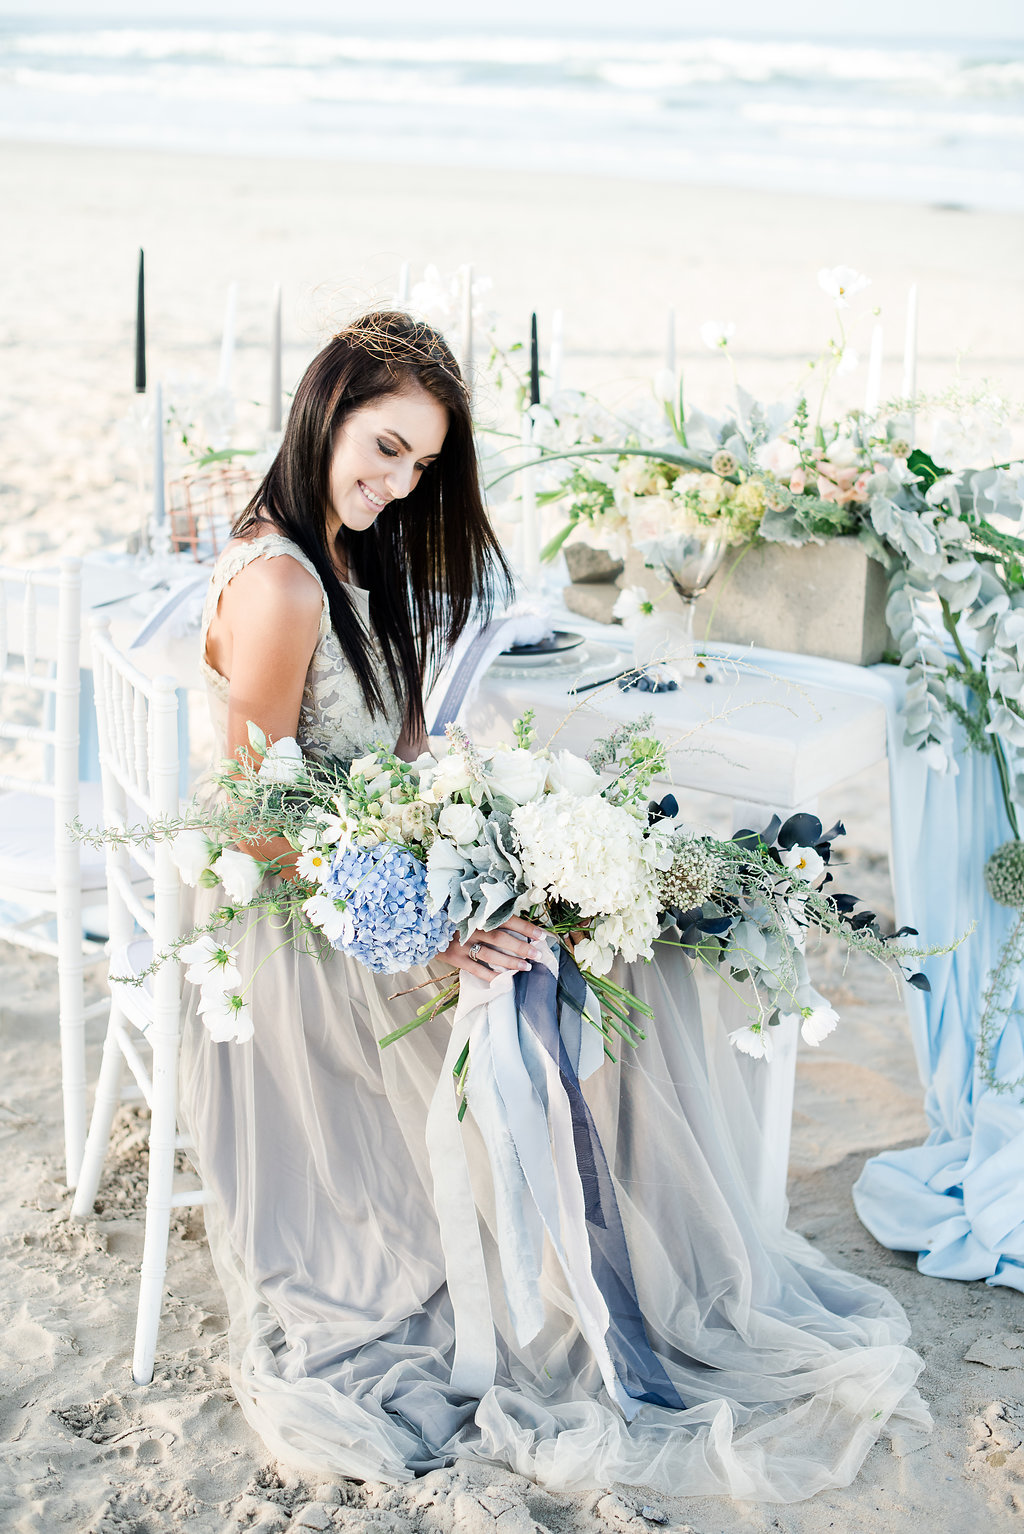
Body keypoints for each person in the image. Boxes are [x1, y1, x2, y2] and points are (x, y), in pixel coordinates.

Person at [180, 310, 930, 1499]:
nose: (396, 481)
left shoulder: (340, 547)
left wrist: (476, 823)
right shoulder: (279, 583)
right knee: (589, 975)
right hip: (310, 929)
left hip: (380, 865)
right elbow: (247, 821)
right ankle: (604, 1266)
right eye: (382, 447)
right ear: (323, 413)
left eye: (419, 464)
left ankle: (625, 1248)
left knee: (624, 930)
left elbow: (393, 744)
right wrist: (432, 920)